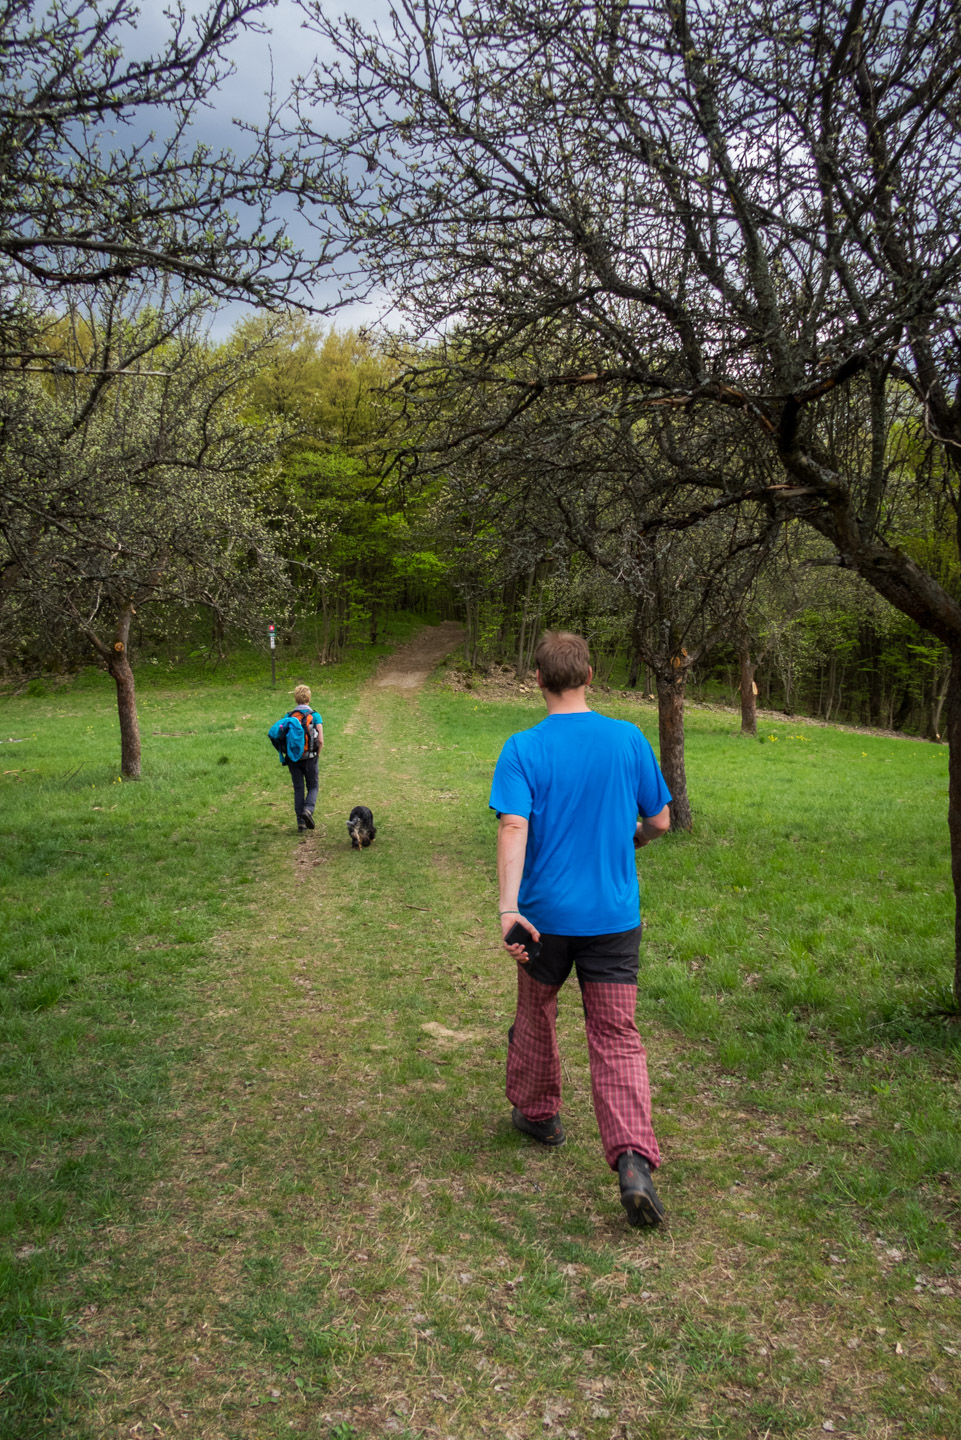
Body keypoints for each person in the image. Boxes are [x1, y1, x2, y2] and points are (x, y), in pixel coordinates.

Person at [489, 631, 672, 1227]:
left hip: (542, 921)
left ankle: (540, 1114)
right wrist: (632, 841)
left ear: (537, 680)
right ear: (590, 674)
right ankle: (633, 1159)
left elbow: (513, 826)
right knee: (616, 1033)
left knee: (537, 1012)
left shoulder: (522, 748)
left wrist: (507, 908)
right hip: (615, 918)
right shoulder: (629, 738)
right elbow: (660, 821)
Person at [268, 683, 324, 832]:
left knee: (298, 789)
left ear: (296, 699)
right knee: (313, 786)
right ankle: (308, 810)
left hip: (293, 758)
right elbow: (320, 741)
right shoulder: (315, 715)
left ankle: (300, 823)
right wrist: (317, 755)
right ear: (309, 698)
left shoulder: (289, 716)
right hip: (310, 757)